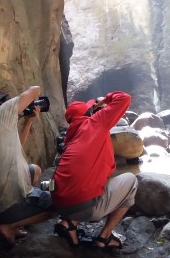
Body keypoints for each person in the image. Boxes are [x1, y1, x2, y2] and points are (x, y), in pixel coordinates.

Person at [51, 91, 138, 251]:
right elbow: (124, 98)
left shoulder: (71, 136)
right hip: (86, 207)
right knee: (131, 180)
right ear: (89, 113)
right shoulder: (95, 122)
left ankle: (69, 224)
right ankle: (104, 237)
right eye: (91, 109)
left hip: (59, 205)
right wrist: (104, 99)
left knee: (84, 182)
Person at [0, 85, 54, 245]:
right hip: (4, 206)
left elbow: (16, 145)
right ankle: (10, 226)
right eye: (4, 101)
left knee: (34, 170)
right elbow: (35, 89)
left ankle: (17, 222)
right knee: (59, 202)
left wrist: (28, 122)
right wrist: (27, 105)